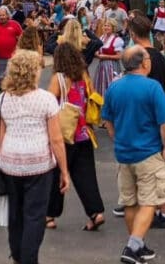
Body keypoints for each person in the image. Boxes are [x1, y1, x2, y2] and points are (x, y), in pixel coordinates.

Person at [100, 46, 165, 264]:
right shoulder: (152, 87)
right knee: (150, 201)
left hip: (124, 153)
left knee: (130, 202)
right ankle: (132, 247)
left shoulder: (114, 87)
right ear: (143, 63)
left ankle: (138, 244)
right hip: (148, 151)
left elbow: (108, 120)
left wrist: (117, 139)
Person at [0, 50, 70, 264]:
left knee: (15, 214)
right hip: (39, 164)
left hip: (10, 163)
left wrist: (2, 162)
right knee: (35, 216)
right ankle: (29, 259)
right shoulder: (46, 100)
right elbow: (56, 139)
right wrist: (64, 171)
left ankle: (17, 256)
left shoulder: (3, 99)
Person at [46, 43, 105, 231]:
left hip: (64, 134)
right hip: (84, 132)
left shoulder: (59, 79)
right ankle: (95, 213)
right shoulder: (84, 76)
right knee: (86, 175)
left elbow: (48, 102)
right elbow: (91, 96)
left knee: (57, 175)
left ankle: (50, 215)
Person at [0, 6, 23, 88]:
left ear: (7, 15)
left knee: (11, 76)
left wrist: (18, 48)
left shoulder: (15, 24)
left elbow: (22, 37)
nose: (1, 17)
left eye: (3, 15)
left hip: (12, 57)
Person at [93, 19, 124, 97]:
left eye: (108, 26)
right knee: (101, 86)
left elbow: (119, 56)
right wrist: (97, 53)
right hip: (102, 66)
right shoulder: (102, 38)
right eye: (105, 25)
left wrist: (105, 56)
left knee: (111, 85)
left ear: (113, 28)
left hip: (112, 66)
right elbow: (97, 50)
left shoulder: (117, 40)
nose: (106, 27)